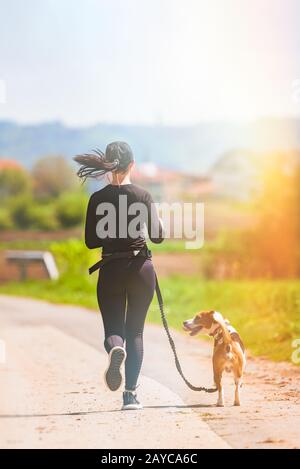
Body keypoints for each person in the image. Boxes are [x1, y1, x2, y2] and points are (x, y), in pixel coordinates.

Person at [74, 141, 164, 410]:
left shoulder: (97, 199)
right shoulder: (144, 195)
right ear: (132, 165)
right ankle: (130, 396)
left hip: (111, 269)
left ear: (106, 167)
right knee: (135, 331)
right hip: (141, 270)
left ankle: (115, 349)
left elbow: (91, 241)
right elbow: (158, 237)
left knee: (115, 331)